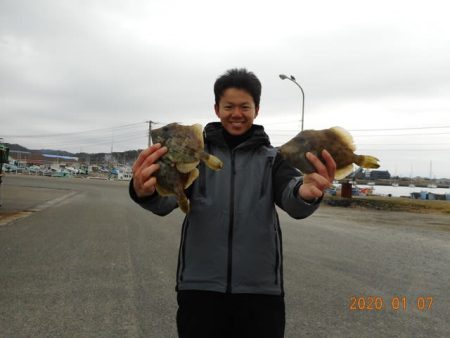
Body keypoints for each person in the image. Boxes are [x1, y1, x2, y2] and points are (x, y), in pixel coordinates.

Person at [130, 68, 336, 338]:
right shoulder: (193, 155)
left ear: (257, 110)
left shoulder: (274, 159)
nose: (236, 114)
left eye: (244, 107)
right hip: (199, 290)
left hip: (261, 294)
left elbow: (292, 197)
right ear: (217, 109)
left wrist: (306, 194)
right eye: (229, 106)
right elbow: (166, 201)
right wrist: (144, 191)